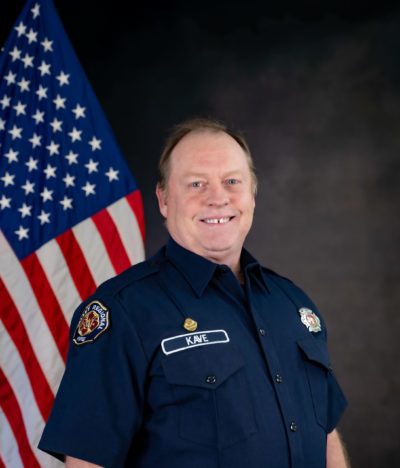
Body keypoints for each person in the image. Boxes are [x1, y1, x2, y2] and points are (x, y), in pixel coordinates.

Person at [39, 118, 349, 467]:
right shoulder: (123, 311)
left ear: (252, 194)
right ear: (164, 200)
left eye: (232, 181)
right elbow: (87, 459)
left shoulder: (292, 304)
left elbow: (325, 434)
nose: (218, 198)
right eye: (196, 184)